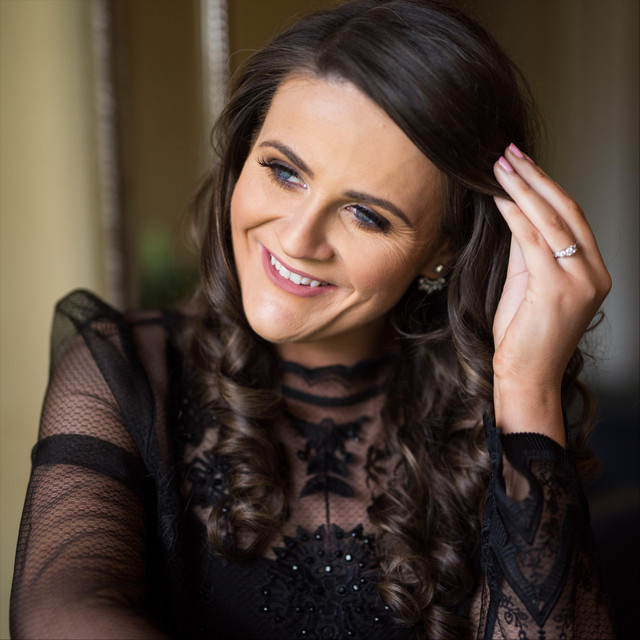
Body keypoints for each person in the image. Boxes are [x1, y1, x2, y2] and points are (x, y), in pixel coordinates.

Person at [10, 1, 615, 638]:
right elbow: (62, 614)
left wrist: (525, 386)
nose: (298, 239)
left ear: (444, 249)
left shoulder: (504, 419)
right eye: (284, 171)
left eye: (366, 215)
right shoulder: (126, 371)